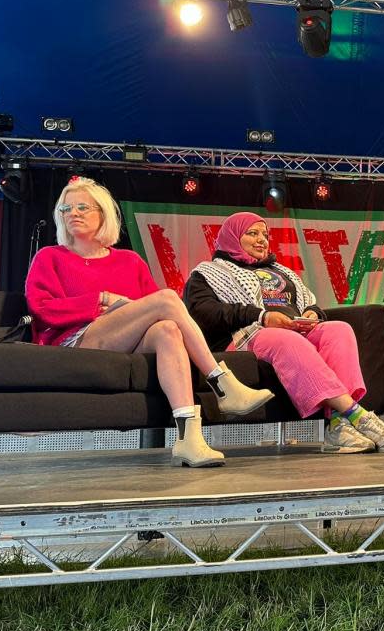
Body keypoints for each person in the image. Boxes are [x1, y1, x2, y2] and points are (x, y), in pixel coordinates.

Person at [25, 178, 274, 468]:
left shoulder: (129, 261)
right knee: (167, 298)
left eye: (82, 207)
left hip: (126, 344)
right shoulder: (50, 257)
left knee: (167, 329)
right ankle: (222, 383)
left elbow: (157, 311)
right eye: (66, 207)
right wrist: (101, 300)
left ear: (103, 214)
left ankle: (189, 440)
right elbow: (41, 308)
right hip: (77, 342)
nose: (73, 213)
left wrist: (127, 311)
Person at [183, 212, 384, 454]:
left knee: (339, 330)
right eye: (252, 233)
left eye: (265, 235)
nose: (261, 240)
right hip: (247, 333)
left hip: (293, 328)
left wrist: (311, 313)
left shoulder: (281, 270)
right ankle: (357, 415)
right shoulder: (207, 274)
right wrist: (262, 316)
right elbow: (204, 312)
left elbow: (307, 300)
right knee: (286, 340)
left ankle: (337, 427)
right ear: (233, 237)